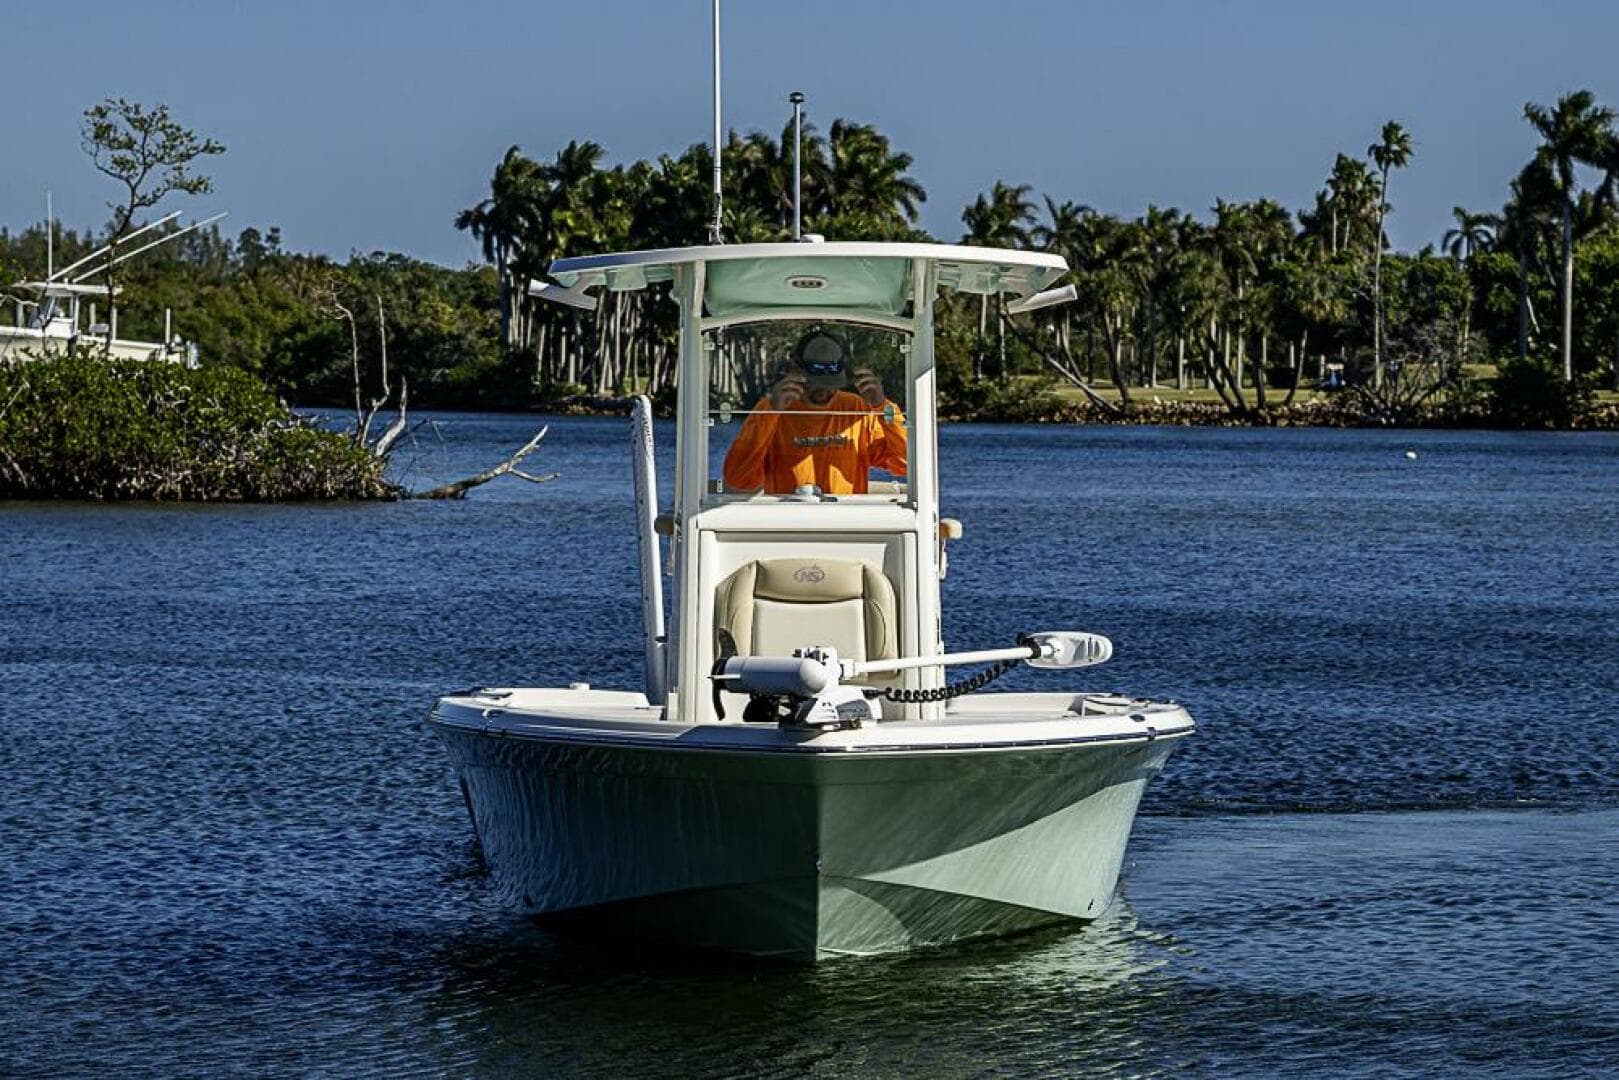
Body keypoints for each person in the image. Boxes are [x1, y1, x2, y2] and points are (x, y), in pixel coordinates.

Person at [721, 328, 907, 495]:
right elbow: (738, 479)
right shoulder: (773, 410)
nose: (824, 391)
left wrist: (883, 408)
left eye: (831, 384)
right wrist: (769, 413)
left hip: (847, 525)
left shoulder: (857, 409)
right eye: (816, 384)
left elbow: (905, 464)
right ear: (796, 372)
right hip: (787, 526)